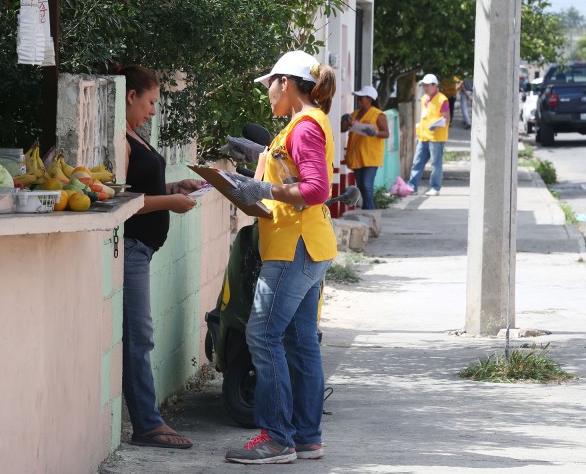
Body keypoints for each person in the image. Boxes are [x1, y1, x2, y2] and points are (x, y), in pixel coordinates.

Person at [223, 51, 337, 465]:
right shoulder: (307, 122)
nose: (267, 93)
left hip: (294, 247)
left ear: (286, 83)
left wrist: (262, 191)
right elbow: (291, 169)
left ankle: (277, 438)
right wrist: (261, 154)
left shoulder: (304, 126)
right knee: (299, 341)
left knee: (263, 335)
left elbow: (315, 189)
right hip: (308, 245)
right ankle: (306, 437)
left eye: (269, 84)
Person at [120, 65, 205, 449]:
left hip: (143, 250)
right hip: (133, 248)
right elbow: (124, 202)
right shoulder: (120, 141)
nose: (153, 111)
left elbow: (143, 188)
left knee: (142, 336)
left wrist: (175, 186)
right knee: (140, 338)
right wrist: (170, 201)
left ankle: (150, 420)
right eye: (150, 101)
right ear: (130, 96)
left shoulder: (134, 136)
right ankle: (147, 425)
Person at [341, 85, 390, 210]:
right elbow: (343, 129)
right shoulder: (355, 114)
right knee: (361, 186)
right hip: (357, 156)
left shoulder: (379, 115)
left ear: (369, 99)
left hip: (371, 156)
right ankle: (367, 210)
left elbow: (386, 133)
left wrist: (375, 133)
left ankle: (370, 211)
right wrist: (344, 122)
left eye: (361, 98)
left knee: (367, 184)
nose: (358, 100)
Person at [407, 73, 450, 196]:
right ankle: (412, 186)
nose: (425, 88)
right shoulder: (424, 98)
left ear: (435, 85)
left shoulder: (442, 99)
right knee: (417, 162)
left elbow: (446, 118)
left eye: (427, 86)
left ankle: (435, 187)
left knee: (435, 164)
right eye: (424, 86)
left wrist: (437, 124)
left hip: (436, 137)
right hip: (424, 136)